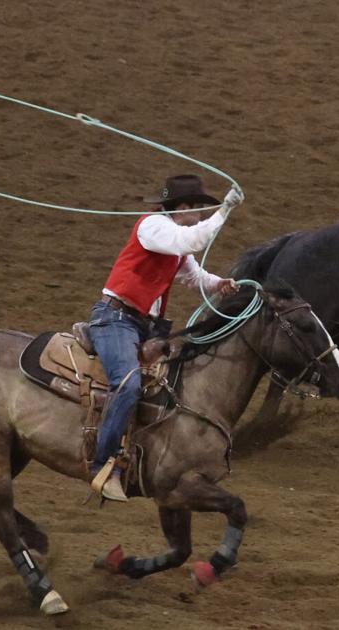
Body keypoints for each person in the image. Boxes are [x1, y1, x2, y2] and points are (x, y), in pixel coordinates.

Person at [87, 174, 242, 501]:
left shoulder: (171, 241)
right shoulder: (153, 227)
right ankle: (104, 464)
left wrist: (218, 284)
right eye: (197, 209)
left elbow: (194, 274)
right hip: (115, 319)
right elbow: (194, 240)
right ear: (181, 208)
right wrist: (225, 209)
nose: (200, 215)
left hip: (142, 325)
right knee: (128, 383)